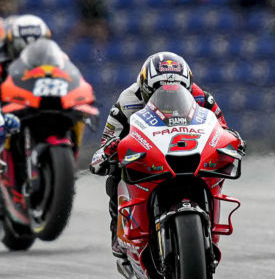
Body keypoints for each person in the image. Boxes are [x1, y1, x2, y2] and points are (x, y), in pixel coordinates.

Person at [88, 51, 231, 257]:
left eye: (179, 89)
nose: (169, 95)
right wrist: (110, 151)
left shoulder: (201, 97)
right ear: (145, 87)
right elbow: (107, 142)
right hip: (148, 158)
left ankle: (209, 220)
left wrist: (231, 141)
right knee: (114, 175)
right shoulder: (128, 101)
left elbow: (223, 130)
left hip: (188, 152)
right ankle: (117, 229)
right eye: (158, 89)